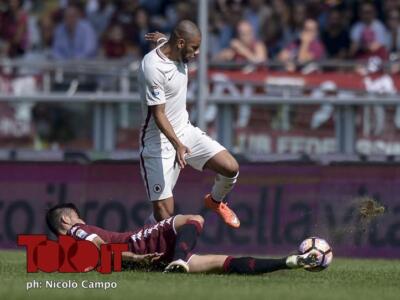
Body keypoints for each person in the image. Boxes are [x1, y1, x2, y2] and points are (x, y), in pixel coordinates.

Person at [138, 20, 241, 228]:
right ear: (181, 43)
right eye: (194, 48)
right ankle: (145, 242)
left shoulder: (176, 49)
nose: (196, 53)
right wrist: (177, 145)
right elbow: (158, 114)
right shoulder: (152, 67)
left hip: (185, 131)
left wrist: (161, 38)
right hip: (158, 144)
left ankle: (215, 201)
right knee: (165, 216)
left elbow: (166, 42)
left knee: (230, 167)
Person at [46, 203, 320, 273]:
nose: (82, 222)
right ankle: (179, 259)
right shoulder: (74, 231)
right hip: (137, 245)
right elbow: (98, 249)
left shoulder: (68, 244)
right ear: (66, 220)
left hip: (148, 258)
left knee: (222, 263)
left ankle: (291, 261)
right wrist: (132, 256)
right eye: (78, 217)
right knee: (194, 219)